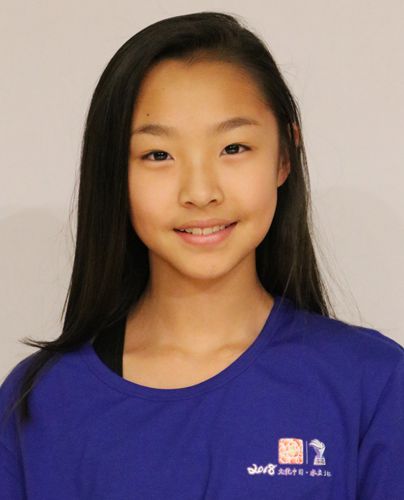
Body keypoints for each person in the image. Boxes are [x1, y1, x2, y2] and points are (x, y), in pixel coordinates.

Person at [1, 11, 403, 500]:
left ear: (284, 155)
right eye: (158, 155)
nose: (200, 192)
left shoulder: (374, 382)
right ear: (114, 174)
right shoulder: (39, 402)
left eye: (233, 147)